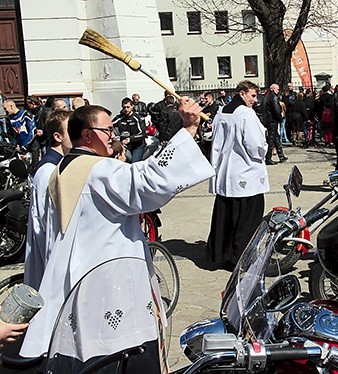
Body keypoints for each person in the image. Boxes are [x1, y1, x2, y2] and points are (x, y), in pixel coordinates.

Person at [20, 99, 214, 369]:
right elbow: (147, 182)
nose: (114, 136)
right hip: (109, 284)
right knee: (120, 355)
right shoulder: (97, 170)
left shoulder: (62, 169)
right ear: (87, 135)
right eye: (108, 131)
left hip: (82, 279)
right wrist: (189, 129)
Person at [207, 80, 269, 270]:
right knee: (245, 220)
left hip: (226, 171)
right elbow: (255, 145)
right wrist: (264, 149)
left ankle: (217, 255)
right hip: (245, 172)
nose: (255, 100)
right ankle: (239, 258)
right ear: (242, 93)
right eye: (252, 96)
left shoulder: (222, 112)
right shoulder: (245, 114)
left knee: (225, 217)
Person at [24, 109, 73, 290]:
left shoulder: (60, 165)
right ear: (58, 136)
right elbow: (47, 225)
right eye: (71, 131)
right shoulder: (48, 172)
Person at [3, 99, 39, 165]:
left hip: (32, 145)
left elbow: (33, 131)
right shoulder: (8, 118)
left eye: (5, 108)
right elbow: (10, 133)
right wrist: (14, 144)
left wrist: (25, 146)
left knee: (35, 166)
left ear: (11, 106)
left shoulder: (26, 114)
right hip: (19, 147)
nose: (5, 111)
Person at [112, 97, 146, 162]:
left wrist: (130, 139)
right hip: (124, 146)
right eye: (124, 107)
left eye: (128, 107)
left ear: (132, 106)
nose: (126, 109)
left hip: (137, 146)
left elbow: (142, 134)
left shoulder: (138, 118)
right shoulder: (120, 118)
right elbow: (109, 125)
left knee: (134, 163)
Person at [263, 83, 287, 165]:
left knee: (276, 138)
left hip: (270, 120)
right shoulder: (273, 97)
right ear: (273, 89)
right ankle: (268, 158)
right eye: (277, 89)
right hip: (272, 120)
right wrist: (280, 118)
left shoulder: (268, 96)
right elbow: (276, 109)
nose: (278, 90)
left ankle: (281, 155)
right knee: (271, 139)